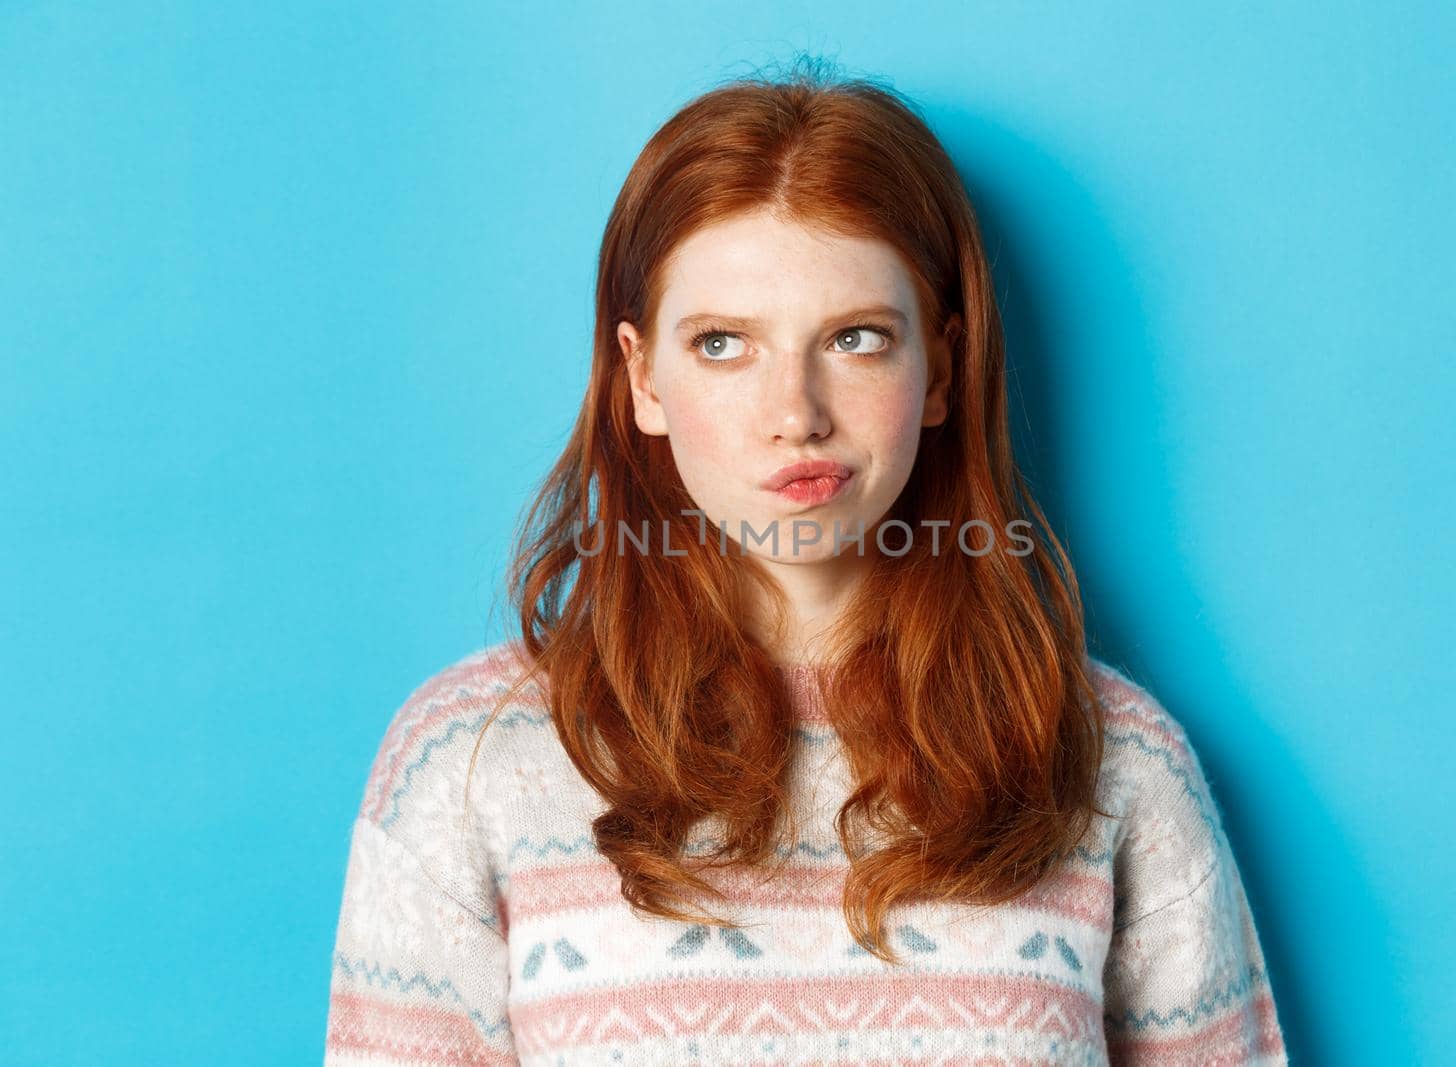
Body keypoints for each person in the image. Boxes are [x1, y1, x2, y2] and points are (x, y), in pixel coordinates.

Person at [324, 57, 1287, 1066]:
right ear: (641, 376)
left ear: (941, 371)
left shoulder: (1114, 759)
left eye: (857, 337)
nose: (797, 414)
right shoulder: (469, 760)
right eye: (723, 344)